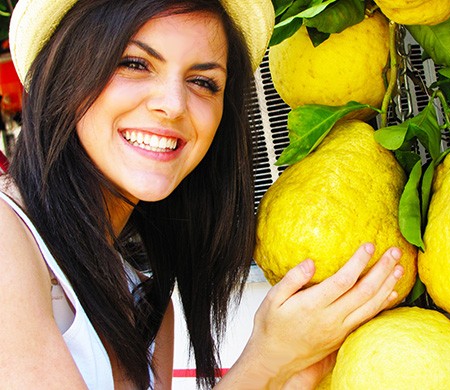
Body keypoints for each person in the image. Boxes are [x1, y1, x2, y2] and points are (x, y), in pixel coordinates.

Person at [0, 0, 405, 389]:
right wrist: (266, 358)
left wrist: (285, 366)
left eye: (202, 82)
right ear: (63, 75)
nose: (174, 105)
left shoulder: (147, 304)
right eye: (135, 64)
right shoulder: (6, 239)